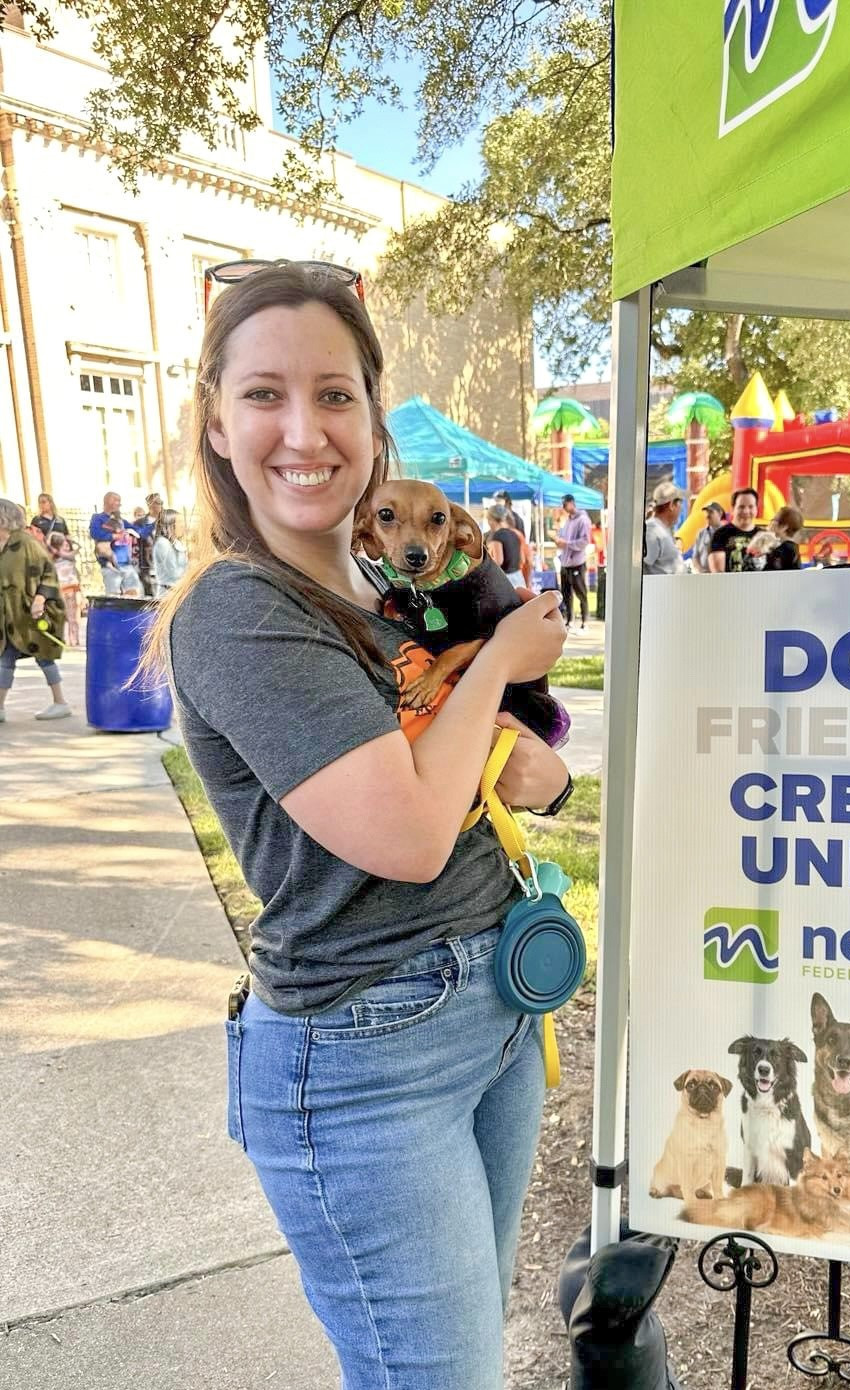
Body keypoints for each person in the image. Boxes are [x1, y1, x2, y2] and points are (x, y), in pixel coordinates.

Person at [145, 261, 568, 1390]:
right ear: (217, 423)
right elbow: (409, 835)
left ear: (375, 422)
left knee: (467, 1358)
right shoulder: (242, 607)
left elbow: (479, 776)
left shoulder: (378, 606)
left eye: (335, 395)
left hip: (491, 1015)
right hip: (366, 1053)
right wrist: (506, 665)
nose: (304, 429)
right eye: (265, 395)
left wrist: (531, 765)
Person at [0, 497, 70, 721]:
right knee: (5, 658)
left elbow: (48, 571)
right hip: (8, 617)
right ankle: (0, 708)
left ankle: (60, 702)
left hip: (30, 613)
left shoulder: (25, 543)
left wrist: (40, 599)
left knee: (43, 656)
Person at [89, 491, 143, 596]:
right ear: (106, 501)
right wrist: (113, 536)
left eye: (119, 501)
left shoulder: (121, 521)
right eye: (116, 500)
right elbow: (94, 533)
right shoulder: (98, 518)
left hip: (126, 563)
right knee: (113, 595)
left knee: (134, 592)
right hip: (110, 565)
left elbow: (137, 530)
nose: (119, 503)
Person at [556, 493, 591, 630]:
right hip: (565, 563)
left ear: (572, 503)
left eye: (565, 504)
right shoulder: (568, 521)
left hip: (577, 562)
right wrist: (559, 541)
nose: (564, 507)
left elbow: (585, 541)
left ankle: (585, 620)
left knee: (581, 593)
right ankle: (570, 620)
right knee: (566, 593)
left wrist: (567, 544)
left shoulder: (583, 520)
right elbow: (563, 538)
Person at [709, 487, 761, 573]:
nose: (746, 511)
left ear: (756, 509)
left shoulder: (764, 535)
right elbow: (718, 574)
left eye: (751, 507)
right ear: (733, 509)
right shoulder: (720, 535)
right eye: (741, 507)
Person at [47, 531, 83, 645]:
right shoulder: (53, 556)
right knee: (64, 615)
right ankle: (63, 638)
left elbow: (78, 548)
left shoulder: (69, 556)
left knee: (74, 616)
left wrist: (72, 541)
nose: (66, 545)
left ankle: (74, 639)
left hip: (73, 587)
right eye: (64, 543)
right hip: (62, 588)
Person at [643, 480, 685, 575]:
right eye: (680, 503)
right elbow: (642, 569)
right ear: (671, 505)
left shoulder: (660, 529)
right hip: (660, 589)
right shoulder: (652, 531)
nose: (681, 508)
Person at [485, 502, 524, 588]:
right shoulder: (514, 534)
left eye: (488, 519)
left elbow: (498, 561)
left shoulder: (497, 535)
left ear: (491, 519)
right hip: (518, 577)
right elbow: (522, 559)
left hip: (506, 580)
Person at [150, 509, 188, 593]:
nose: (183, 525)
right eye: (180, 522)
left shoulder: (177, 543)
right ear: (169, 525)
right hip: (167, 593)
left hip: (178, 592)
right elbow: (174, 573)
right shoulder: (163, 543)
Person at [764, 505, 803, 570]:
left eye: (774, 519)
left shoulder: (785, 550)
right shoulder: (792, 548)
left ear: (784, 527)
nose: (770, 523)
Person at [691, 500, 725, 573]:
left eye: (711, 512)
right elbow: (695, 557)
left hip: (723, 577)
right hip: (704, 577)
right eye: (706, 512)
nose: (707, 515)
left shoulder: (728, 532)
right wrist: (700, 571)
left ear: (720, 513)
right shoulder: (700, 534)